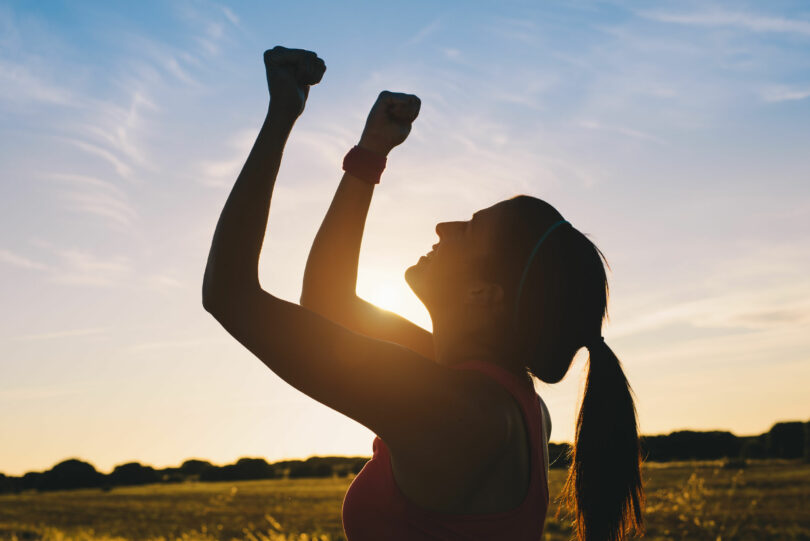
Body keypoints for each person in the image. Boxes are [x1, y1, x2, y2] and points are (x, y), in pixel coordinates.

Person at [203, 46, 645, 541]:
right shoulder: (487, 394)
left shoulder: (457, 412)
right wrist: (369, 154)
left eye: (470, 231)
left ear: (483, 294)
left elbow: (230, 295)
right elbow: (327, 303)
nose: (444, 225)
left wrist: (280, 117)